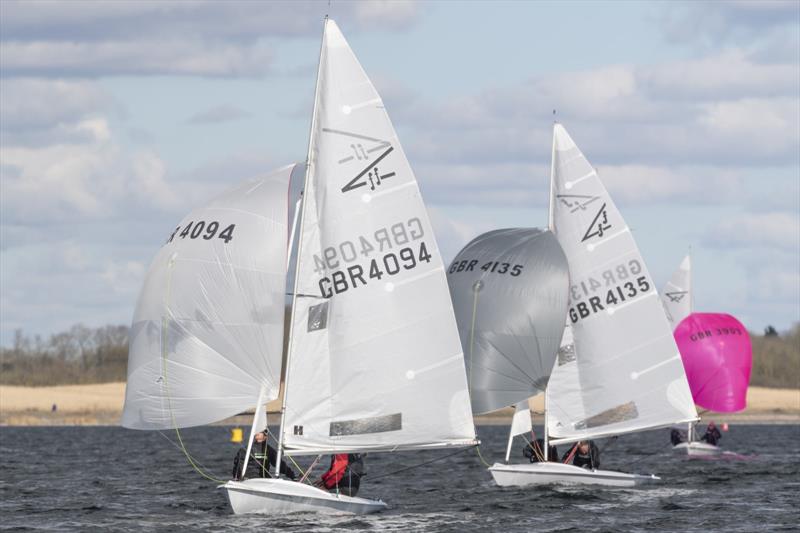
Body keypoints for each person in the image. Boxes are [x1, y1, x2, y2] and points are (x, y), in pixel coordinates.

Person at [232, 430, 296, 481]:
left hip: (264, 480)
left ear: (265, 436)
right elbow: (238, 464)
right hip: (249, 479)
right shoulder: (246, 449)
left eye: (260, 431)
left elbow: (280, 465)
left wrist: (293, 476)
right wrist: (238, 478)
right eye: (257, 431)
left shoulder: (269, 450)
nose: (257, 432)